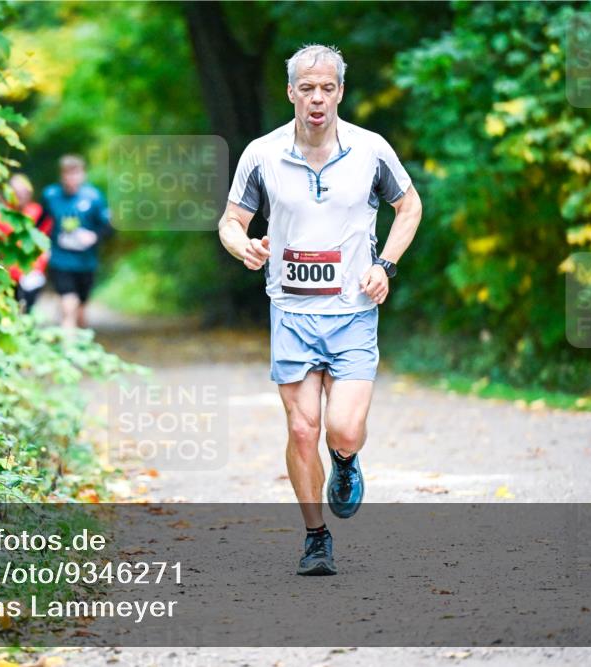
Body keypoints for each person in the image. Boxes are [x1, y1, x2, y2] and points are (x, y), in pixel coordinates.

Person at [218, 44, 423, 575]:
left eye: (327, 88)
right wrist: (243, 246)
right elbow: (231, 221)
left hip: (353, 310)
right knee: (302, 429)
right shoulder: (262, 154)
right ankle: (315, 537)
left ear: (340, 92)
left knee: (343, 429)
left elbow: (409, 206)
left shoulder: (370, 150)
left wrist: (385, 265)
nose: (317, 98)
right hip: (291, 312)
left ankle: (346, 461)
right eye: (307, 88)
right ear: (291, 92)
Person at [40, 155, 113, 328]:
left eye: (75, 173)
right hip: (60, 259)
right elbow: (41, 222)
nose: (71, 178)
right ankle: (67, 338)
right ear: (62, 175)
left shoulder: (94, 197)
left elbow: (108, 227)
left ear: (83, 175)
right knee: (68, 304)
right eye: (68, 174)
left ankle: (80, 338)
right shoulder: (51, 195)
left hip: (86, 262)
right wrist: (42, 246)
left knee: (80, 310)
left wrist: (94, 236)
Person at [0, 173, 49, 313]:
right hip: (3, 273)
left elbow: (45, 241)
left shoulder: (37, 212)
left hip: (30, 274)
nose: (20, 196)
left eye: (24, 192)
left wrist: (39, 266)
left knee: (26, 310)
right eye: (16, 192)